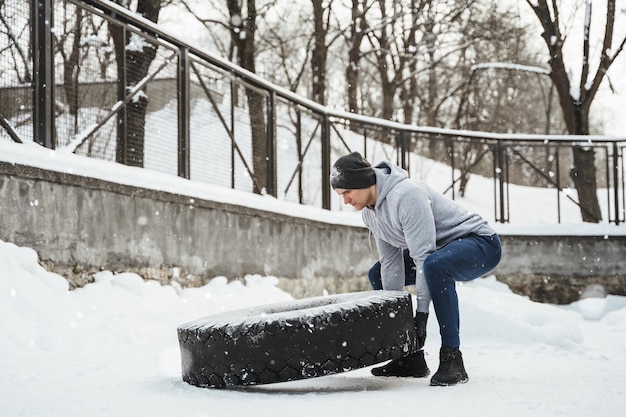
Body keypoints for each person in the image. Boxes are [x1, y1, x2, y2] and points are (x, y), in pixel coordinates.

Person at [330, 151, 502, 386]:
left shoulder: (406, 194)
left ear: (363, 181)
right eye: (341, 195)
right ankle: (410, 358)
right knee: (377, 272)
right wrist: (396, 323)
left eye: (347, 192)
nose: (346, 201)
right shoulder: (370, 215)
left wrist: (421, 315)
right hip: (438, 253)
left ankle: (452, 357)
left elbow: (424, 257)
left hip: (480, 243)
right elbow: (391, 262)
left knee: (435, 266)